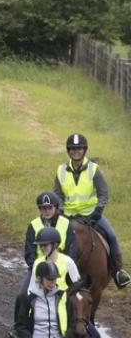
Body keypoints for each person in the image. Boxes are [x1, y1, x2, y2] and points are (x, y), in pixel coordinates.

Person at [53, 133, 131, 288]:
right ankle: (43, 268)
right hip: (68, 215)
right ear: (68, 150)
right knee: (48, 236)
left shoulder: (93, 169)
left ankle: (118, 271)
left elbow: (103, 193)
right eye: (73, 149)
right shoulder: (61, 170)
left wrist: (98, 211)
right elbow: (57, 193)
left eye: (79, 148)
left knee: (112, 236)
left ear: (84, 150)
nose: (76, 151)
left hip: (91, 215)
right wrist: (60, 209)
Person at [13, 194, 79, 326]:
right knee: (22, 296)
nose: (46, 211)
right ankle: (18, 327)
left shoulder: (67, 224)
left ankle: (83, 324)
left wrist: (61, 266)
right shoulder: (33, 225)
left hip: (62, 268)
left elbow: (72, 250)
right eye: (43, 208)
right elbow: (29, 253)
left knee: (79, 298)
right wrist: (41, 270)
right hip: (38, 270)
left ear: (55, 208)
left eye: (49, 208)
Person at [12, 261, 93, 338]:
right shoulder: (29, 299)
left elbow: (71, 324)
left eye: (54, 279)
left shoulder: (63, 298)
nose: (53, 283)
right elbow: (20, 326)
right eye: (49, 279)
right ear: (40, 278)